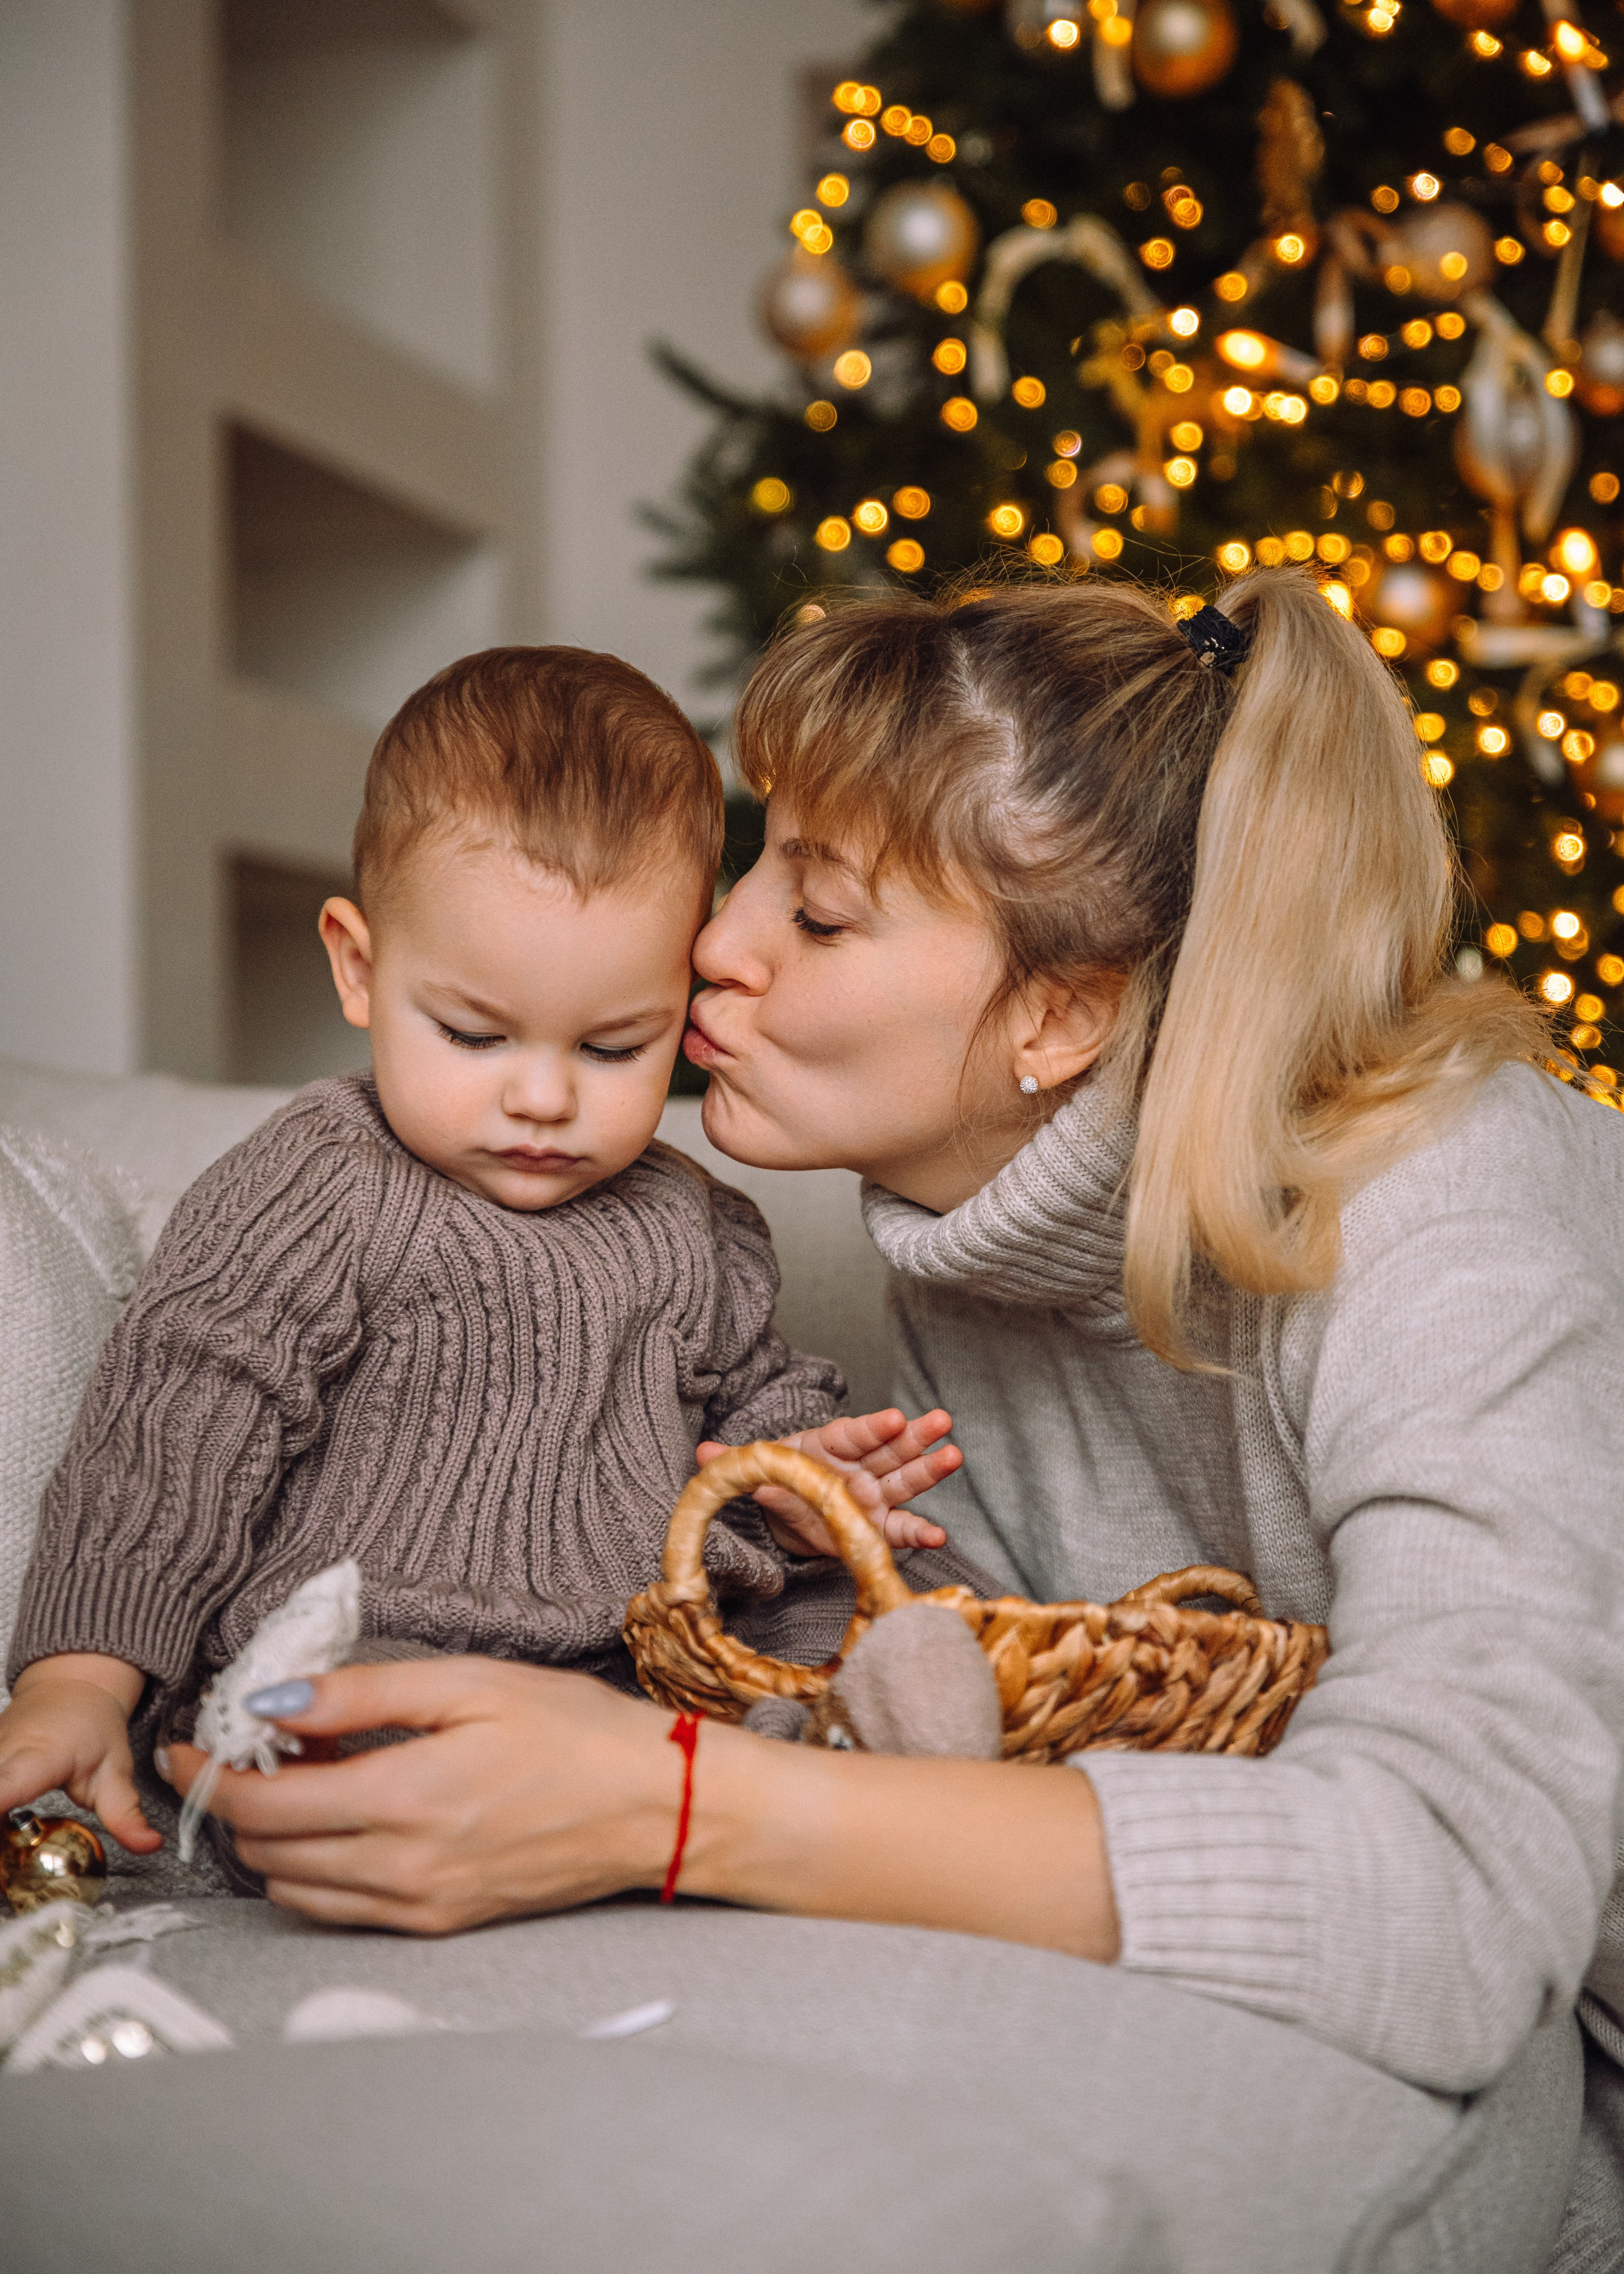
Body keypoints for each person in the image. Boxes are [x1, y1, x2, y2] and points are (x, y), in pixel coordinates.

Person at [160, 572, 1624, 2254]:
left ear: (1059, 1015)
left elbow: (1454, 1893)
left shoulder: (1447, 1205)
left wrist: (671, 1802)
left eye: (819, 912)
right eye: (755, 857)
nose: (713, 942)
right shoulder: (972, 1231)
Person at [0, 644, 963, 1863]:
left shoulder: (693, 1223)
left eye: (613, 1048)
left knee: (869, 1623)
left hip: (647, 1647)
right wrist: (80, 1681)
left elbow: (753, 1399)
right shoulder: (318, 1184)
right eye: (473, 1034)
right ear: (360, 967)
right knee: (329, 1722)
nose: (543, 1099)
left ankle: (850, 1764)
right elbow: (175, 1434)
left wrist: (797, 1481)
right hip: (388, 1634)